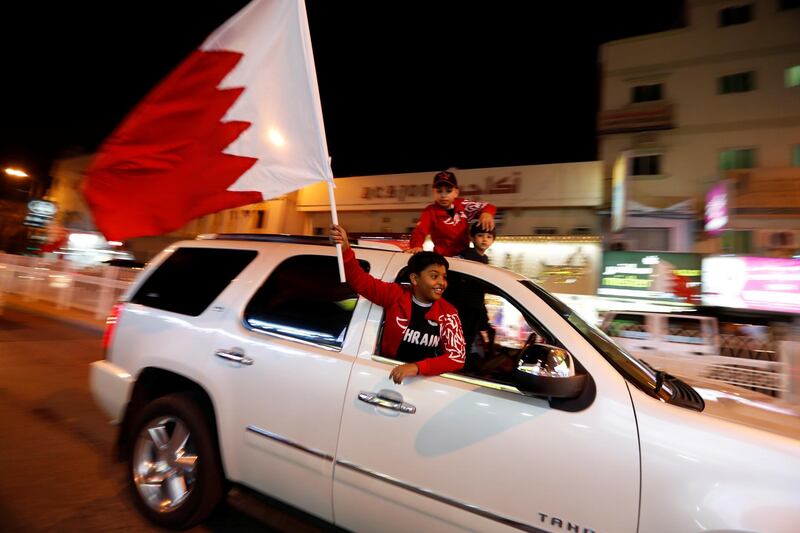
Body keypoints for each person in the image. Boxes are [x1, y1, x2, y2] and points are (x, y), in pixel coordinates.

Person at [330, 224, 465, 383]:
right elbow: (360, 281)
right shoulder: (395, 295)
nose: (442, 283)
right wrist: (345, 249)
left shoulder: (448, 313)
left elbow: (457, 357)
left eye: (444, 277)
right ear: (414, 279)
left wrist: (415, 367)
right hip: (384, 376)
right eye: (434, 276)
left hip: (422, 383)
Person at [406, 170, 496, 257]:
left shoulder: (463, 205)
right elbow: (419, 231)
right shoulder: (430, 211)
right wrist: (416, 246)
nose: (443, 195)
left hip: (465, 256)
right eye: (439, 191)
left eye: (448, 191)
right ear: (433, 192)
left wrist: (486, 213)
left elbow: (488, 206)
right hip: (444, 258)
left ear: (456, 192)